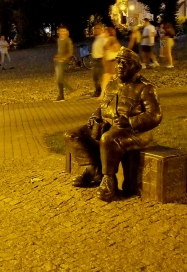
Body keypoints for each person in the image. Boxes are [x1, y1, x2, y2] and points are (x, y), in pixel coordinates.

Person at [64, 47, 162, 202]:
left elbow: (155, 115)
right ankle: (93, 169)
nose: (120, 65)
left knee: (108, 139)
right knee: (73, 134)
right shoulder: (112, 84)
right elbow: (103, 105)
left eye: (126, 63)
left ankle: (109, 179)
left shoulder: (145, 88)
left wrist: (130, 121)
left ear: (136, 68)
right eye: (118, 62)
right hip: (108, 126)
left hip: (133, 132)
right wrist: (95, 117)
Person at [53, 26, 74, 102]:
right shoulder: (59, 40)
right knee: (58, 78)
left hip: (64, 62)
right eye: (61, 31)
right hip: (59, 61)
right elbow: (60, 51)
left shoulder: (68, 40)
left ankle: (70, 90)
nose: (62, 33)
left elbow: (70, 52)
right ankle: (61, 95)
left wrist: (65, 58)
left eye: (64, 31)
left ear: (66, 32)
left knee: (59, 78)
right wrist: (57, 56)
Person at [101, 27, 121, 100]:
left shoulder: (112, 39)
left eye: (105, 32)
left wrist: (109, 47)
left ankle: (103, 95)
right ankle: (103, 95)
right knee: (108, 78)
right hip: (109, 62)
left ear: (109, 33)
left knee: (112, 77)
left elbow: (117, 48)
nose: (104, 33)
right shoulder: (108, 40)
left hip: (113, 61)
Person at [91, 24, 106, 97]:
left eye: (98, 28)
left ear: (101, 29)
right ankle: (98, 90)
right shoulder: (97, 38)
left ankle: (102, 91)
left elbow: (105, 48)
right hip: (95, 59)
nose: (96, 30)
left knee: (103, 76)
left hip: (101, 59)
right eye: (95, 28)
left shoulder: (104, 37)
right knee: (95, 77)